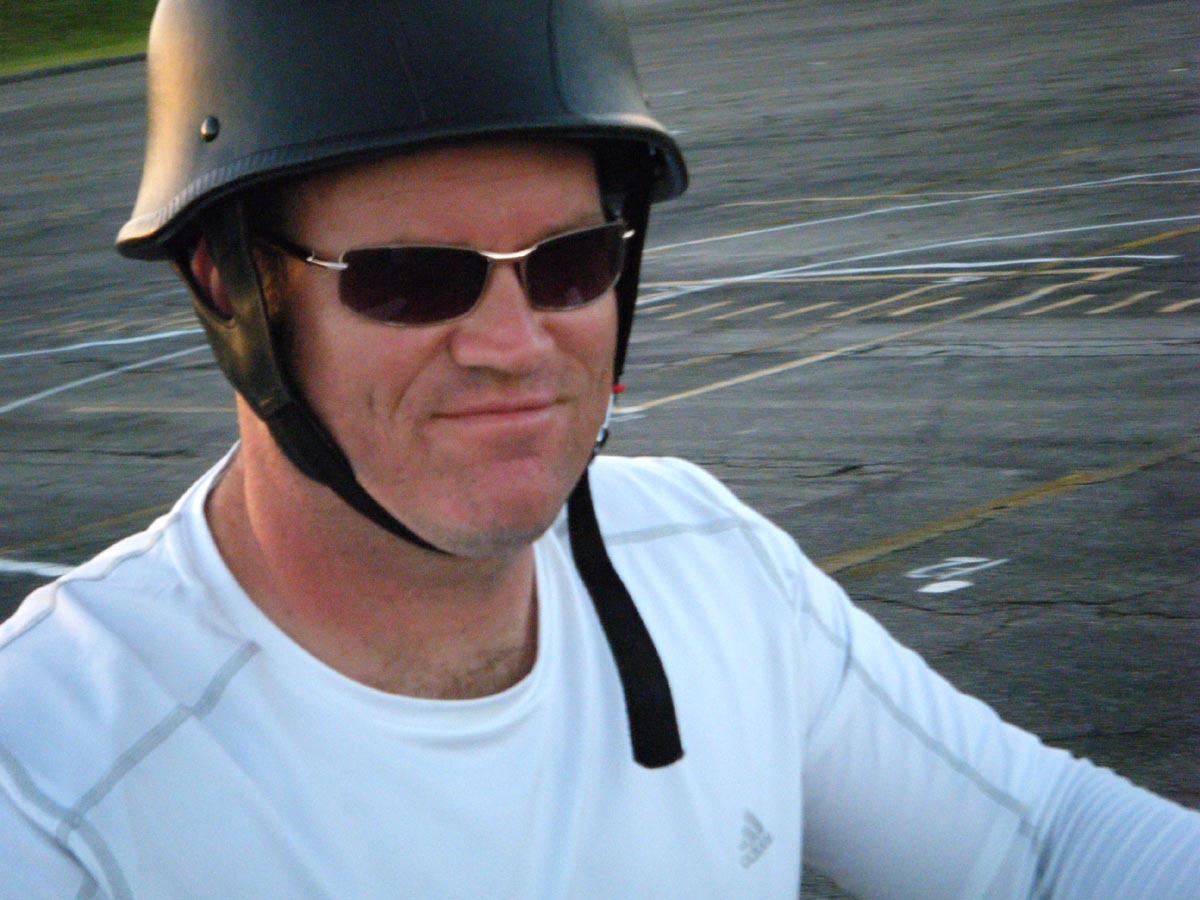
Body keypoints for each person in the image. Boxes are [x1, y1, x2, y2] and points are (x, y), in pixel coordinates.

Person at [1, 1, 1196, 897]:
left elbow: (1046, 846)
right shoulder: (51, 783)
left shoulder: (704, 560)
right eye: (412, 279)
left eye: (572, 263)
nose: (515, 345)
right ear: (226, 286)